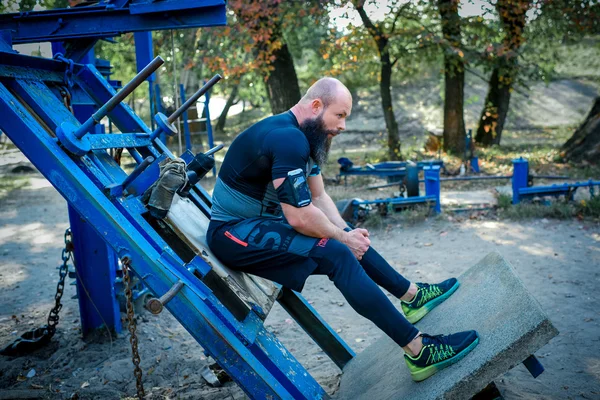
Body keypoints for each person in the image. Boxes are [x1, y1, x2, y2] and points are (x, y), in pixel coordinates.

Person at [206, 77, 479, 382]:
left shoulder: (304, 137)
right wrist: (341, 238)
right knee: (337, 251)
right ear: (316, 106)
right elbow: (298, 217)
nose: (343, 126)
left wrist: (346, 232)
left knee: (345, 236)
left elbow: (319, 197)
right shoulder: (286, 138)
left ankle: (411, 295)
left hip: (262, 221)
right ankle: (418, 350)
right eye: (340, 115)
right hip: (232, 233)